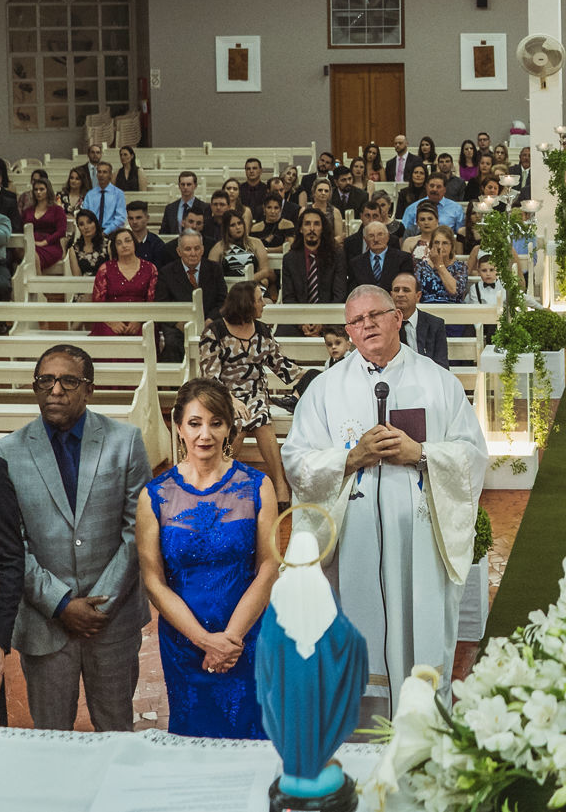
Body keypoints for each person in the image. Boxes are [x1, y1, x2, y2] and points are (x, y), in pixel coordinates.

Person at [283, 284, 487, 713]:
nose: (367, 325)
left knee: (420, 638)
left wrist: (422, 453)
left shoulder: (438, 383)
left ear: (398, 317)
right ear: (348, 332)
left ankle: (425, 732)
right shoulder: (325, 389)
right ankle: (360, 743)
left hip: (419, 543)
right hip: (351, 543)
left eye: (376, 315)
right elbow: (297, 462)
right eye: (356, 321)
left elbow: (472, 457)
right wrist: (351, 457)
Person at [0, 344, 151, 731]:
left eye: (68, 380)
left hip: (112, 621)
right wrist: (61, 603)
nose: (56, 390)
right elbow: (12, 544)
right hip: (46, 622)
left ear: (89, 388)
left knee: (116, 730)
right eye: (45, 380)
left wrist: (100, 606)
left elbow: (138, 531)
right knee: (51, 736)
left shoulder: (125, 441)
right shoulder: (8, 452)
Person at [137, 380, 277, 738]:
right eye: (195, 423)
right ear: (179, 427)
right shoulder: (155, 495)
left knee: (253, 734)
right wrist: (204, 640)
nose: (206, 434)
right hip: (185, 643)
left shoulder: (257, 485)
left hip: (246, 638)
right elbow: (153, 581)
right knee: (193, 738)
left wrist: (230, 638)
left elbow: (268, 567)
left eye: (217, 422)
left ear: (229, 427)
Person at [199, 285, 299, 507]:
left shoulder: (262, 330)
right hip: (222, 393)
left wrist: (307, 377)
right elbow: (210, 377)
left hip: (255, 391)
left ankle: (280, 483)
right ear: (246, 303)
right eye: (259, 299)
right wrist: (231, 400)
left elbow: (280, 364)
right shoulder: (214, 332)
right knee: (238, 421)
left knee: (262, 420)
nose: (264, 303)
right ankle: (219, 481)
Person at [157, 230, 228, 362]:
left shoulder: (214, 269)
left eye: (197, 248)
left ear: (202, 249)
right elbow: (162, 304)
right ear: (179, 251)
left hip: (211, 320)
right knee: (172, 343)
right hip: (179, 325)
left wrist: (210, 319)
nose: (193, 253)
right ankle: (177, 382)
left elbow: (223, 300)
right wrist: (179, 323)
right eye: (188, 249)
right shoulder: (166, 272)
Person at [91, 226, 158, 337]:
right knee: (109, 334)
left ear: (134, 243)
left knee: (145, 333)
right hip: (110, 318)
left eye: (128, 241)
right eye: (119, 243)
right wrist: (112, 322)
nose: (124, 245)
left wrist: (139, 320)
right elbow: (98, 302)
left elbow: (152, 300)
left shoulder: (150, 268)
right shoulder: (105, 269)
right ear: (115, 247)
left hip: (142, 317)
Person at [390, 271, 450, 368]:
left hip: (426, 379)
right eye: (396, 290)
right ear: (391, 295)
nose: (400, 294)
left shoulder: (435, 324)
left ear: (418, 296)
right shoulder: (385, 324)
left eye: (406, 290)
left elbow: (442, 366)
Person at [21, 175, 68, 274]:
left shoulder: (57, 210)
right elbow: (22, 228)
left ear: (48, 190)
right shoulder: (28, 211)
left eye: (42, 189)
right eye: (36, 189)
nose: (38, 192)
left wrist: (44, 242)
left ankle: (37, 286)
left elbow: (61, 231)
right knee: (27, 252)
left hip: (50, 245)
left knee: (32, 255)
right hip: (30, 243)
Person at [216, 211, 273, 292]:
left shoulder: (256, 242)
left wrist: (245, 282)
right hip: (230, 289)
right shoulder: (218, 248)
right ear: (226, 228)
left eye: (240, 223)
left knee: (267, 302)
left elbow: (265, 271)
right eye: (233, 225)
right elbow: (213, 275)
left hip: (254, 286)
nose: (238, 227)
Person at [346, 217, 405, 293]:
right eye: (371, 236)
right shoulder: (355, 263)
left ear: (388, 237)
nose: (376, 239)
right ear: (365, 239)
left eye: (380, 234)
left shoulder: (403, 259)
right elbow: (353, 292)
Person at [415, 227, 468, 305]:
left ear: (452, 246)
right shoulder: (421, 267)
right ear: (431, 245)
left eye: (445, 243)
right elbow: (416, 295)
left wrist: (439, 265)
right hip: (427, 310)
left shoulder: (460, 267)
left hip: (453, 310)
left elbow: (454, 291)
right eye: (436, 242)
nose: (440, 247)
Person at [65, 207, 109, 277]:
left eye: (89, 222)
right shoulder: (73, 250)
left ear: (95, 223)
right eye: (82, 224)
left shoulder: (108, 244)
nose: (86, 227)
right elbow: (77, 278)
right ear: (78, 228)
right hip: (84, 286)